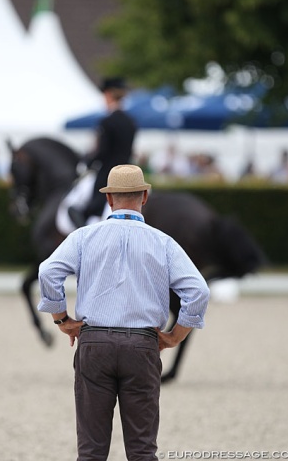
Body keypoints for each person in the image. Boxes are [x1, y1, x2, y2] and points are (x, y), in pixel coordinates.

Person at [38, 164, 210, 460]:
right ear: (144, 196)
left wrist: (62, 319)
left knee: (91, 451)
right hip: (142, 346)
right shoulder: (164, 242)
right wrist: (174, 336)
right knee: (142, 450)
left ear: (108, 199)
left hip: (95, 343)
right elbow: (199, 291)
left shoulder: (83, 237)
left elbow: (48, 271)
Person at [68, 77, 137, 227]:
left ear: (108, 95)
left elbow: (102, 152)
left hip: (108, 174)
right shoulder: (131, 122)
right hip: (128, 171)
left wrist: (87, 163)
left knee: (76, 203)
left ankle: (86, 227)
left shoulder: (107, 122)